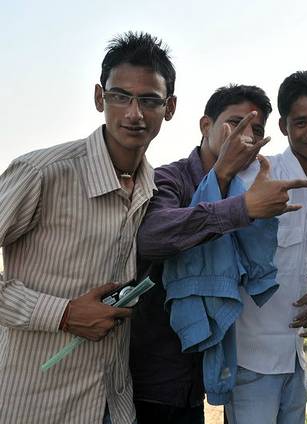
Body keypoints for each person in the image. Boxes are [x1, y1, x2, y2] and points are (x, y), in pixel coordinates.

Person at [0, 31, 177, 424]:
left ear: (169, 108)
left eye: (149, 100)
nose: (134, 113)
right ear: (100, 98)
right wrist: (62, 313)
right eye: (120, 96)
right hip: (36, 403)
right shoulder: (42, 173)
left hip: (114, 402)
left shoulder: (150, 187)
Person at [132, 84, 307, 424]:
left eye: (256, 130)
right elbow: (153, 236)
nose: (246, 136)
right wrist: (237, 199)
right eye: (235, 123)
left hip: (208, 373)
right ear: (206, 125)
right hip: (159, 370)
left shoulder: (251, 185)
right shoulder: (171, 179)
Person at [225, 70, 307, 424]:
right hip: (251, 359)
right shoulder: (256, 177)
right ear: (284, 127)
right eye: (300, 122)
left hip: (295, 356)